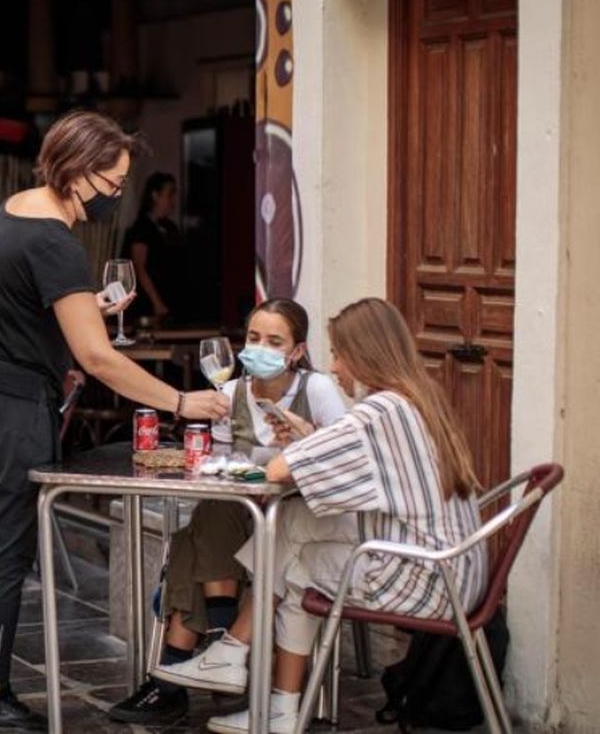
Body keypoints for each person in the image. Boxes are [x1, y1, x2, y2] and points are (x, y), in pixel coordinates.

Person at [0, 110, 231, 733]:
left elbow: (11, 308)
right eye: (113, 183)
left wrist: (85, 308)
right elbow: (98, 359)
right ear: (75, 171)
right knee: (5, 547)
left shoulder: (17, 210)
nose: (118, 197)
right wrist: (181, 403)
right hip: (5, 405)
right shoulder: (56, 242)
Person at [152, 297, 487, 733]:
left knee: (295, 559)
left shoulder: (377, 411)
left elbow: (276, 470)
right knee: (293, 528)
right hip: (458, 567)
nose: (336, 367)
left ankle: (246, 670)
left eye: (341, 354)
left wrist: (303, 445)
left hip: (423, 579)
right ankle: (255, 682)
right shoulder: (416, 399)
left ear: (365, 355)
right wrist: (310, 437)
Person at [108, 298, 347, 725]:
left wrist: (301, 440)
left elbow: (342, 462)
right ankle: (220, 642)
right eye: (254, 338)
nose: (261, 348)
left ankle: (176, 679)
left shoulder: (318, 391)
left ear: (296, 351)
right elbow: (217, 470)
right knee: (209, 517)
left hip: (301, 520)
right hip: (244, 516)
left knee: (193, 538)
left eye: (275, 341)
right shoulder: (230, 394)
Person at [122, 172, 181, 324]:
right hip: (148, 306)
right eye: (169, 194)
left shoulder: (170, 227)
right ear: (155, 195)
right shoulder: (141, 228)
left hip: (171, 301)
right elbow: (139, 267)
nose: (173, 201)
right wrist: (157, 303)